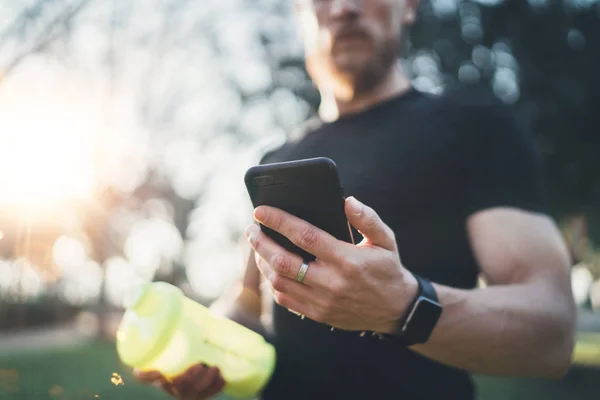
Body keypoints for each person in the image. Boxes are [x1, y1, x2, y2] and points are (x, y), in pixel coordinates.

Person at [135, 0, 577, 399]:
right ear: (302, 15)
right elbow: (247, 300)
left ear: (409, 6)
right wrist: (204, 340)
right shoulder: (275, 161)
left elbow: (552, 333)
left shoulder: (478, 129)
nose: (344, 7)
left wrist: (404, 306)